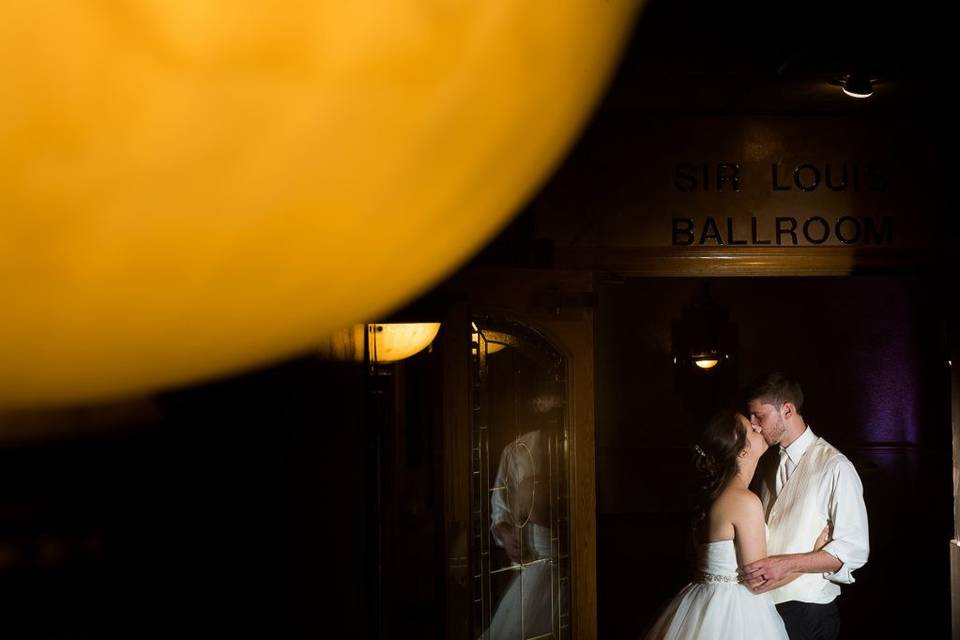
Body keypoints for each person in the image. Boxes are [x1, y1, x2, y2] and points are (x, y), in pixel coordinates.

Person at [645, 409, 824, 640]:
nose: (758, 427)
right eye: (751, 429)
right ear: (743, 451)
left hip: (702, 605)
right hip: (736, 614)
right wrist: (813, 557)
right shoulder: (743, 502)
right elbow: (759, 581)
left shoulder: (712, 497)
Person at [741, 372, 869, 640]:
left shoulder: (836, 467)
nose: (753, 425)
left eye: (759, 416)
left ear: (787, 410)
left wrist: (789, 564)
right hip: (763, 608)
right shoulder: (766, 462)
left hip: (810, 611)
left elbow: (853, 551)